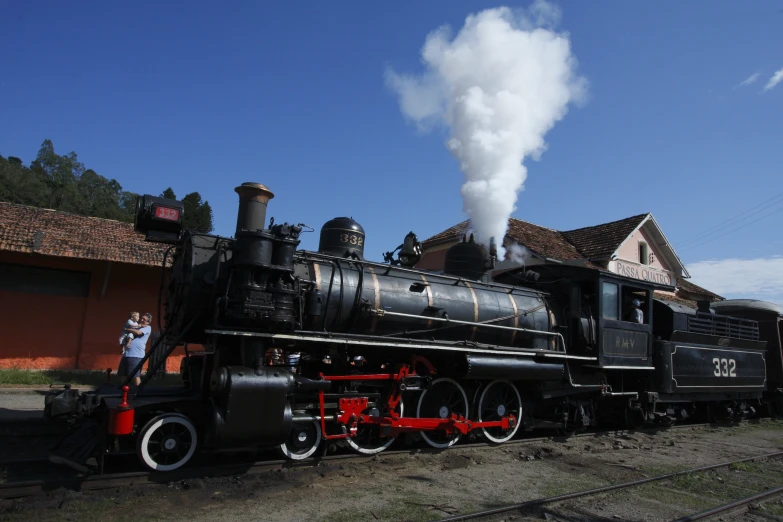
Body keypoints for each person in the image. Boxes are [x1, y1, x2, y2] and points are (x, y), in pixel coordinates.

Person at [118, 313, 152, 386]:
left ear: (148, 321)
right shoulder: (136, 325)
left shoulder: (147, 327)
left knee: (135, 376)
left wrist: (127, 329)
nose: (141, 320)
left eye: (144, 319)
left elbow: (138, 332)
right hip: (126, 353)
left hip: (136, 355)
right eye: (141, 318)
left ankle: (138, 392)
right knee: (122, 375)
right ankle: (124, 392)